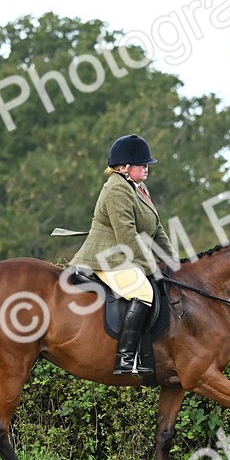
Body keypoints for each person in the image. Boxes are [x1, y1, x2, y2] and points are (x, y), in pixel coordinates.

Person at [70, 134, 178, 374]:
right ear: (123, 168)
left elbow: (156, 228)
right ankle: (126, 358)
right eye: (141, 164)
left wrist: (174, 262)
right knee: (143, 291)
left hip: (122, 255)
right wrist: (151, 267)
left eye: (146, 164)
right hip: (106, 258)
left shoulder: (139, 188)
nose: (146, 168)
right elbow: (126, 235)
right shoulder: (117, 189)